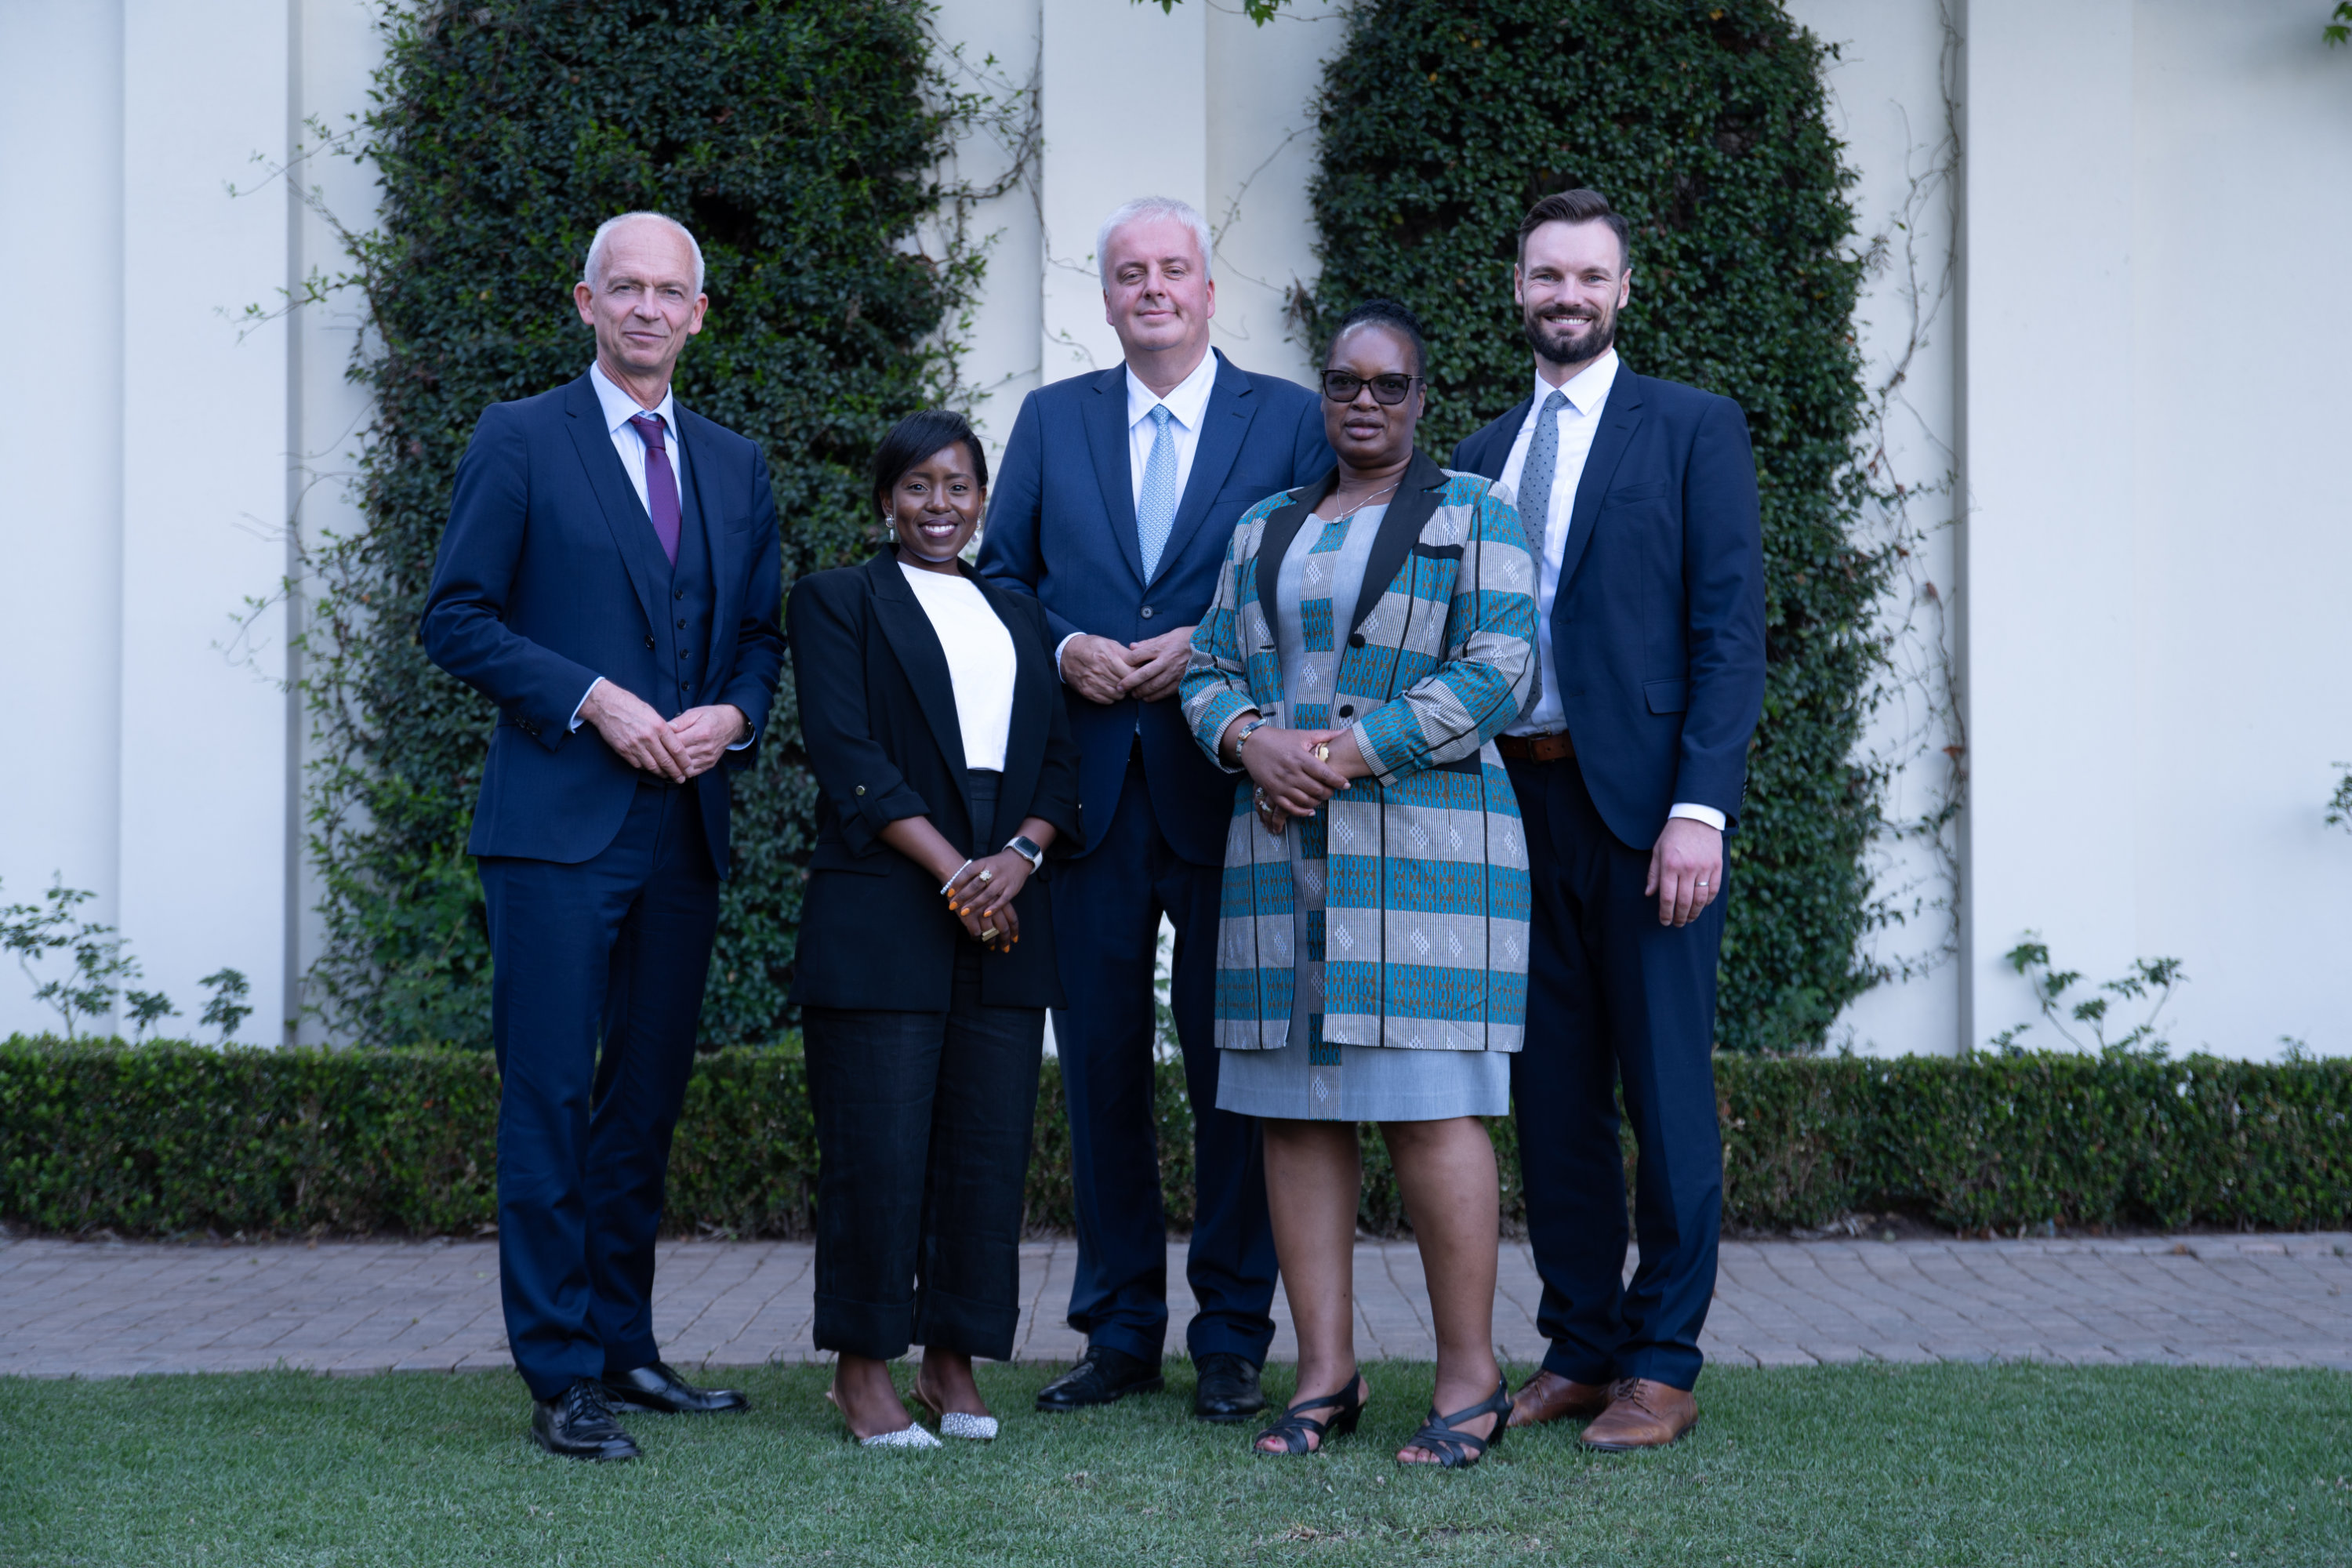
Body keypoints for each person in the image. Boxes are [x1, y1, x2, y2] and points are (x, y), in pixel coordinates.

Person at [420, 211, 784, 1461]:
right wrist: (593, 699)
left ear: (698, 315)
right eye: (623, 288)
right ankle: (560, 1370)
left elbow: (759, 637)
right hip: (553, 831)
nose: (645, 309)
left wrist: (734, 714)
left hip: (684, 827)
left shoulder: (735, 463)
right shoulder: (520, 438)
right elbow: (456, 617)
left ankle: (624, 1346)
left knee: (643, 1104)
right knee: (551, 1096)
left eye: (668, 292)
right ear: (586, 303)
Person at [975, 197, 1332, 1422]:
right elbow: (1001, 577)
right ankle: (1119, 1328)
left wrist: (1211, 641)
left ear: (1210, 290)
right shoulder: (1053, 419)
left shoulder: (1286, 419)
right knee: (1101, 1070)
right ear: (1108, 296)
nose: (1153, 289)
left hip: (1232, 792)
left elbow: (1318, 577)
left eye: (1174, 269)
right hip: (1087, 796)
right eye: (1131, 273)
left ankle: (1231, 1333)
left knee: (1238, 1068)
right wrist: (1062, 644)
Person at [1181, 299, 1538, 1468]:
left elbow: (1501, 668)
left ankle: (1471, 1382)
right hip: (1277, 852)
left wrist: (1341, 750)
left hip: (1426, 859)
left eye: (1390, 385)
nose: (1365, 402)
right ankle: (1325, 1377)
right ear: (1323, 395)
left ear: (1422, 398)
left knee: (1433, 1108)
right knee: (1294, 1116)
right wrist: (1249, 740)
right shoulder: (1265, 525)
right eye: (1345, 383)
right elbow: (1208, 665)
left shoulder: (1475, 511)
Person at [1450, 189, 1766, 1450]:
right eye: (1547, 276)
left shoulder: (1692, 428)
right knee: (1552, 1095)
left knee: (1667, 1094)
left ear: (1624, 290)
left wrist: (1700, 810)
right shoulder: (1480, 453)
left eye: (1590, 276)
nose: (1567, 296)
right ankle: (1580, 1346)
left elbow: (1728, 634)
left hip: (1645, 817)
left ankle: (1664, 1362)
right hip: (1509, 804)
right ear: (1518, 289)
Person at [784, 409, 1083, 1449]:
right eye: (918, 486)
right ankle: (861, 1372)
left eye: (958, 486)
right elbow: (845, 751)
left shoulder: (1020, 613)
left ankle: (951, 1362)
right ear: (885, 500)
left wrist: (1021, 857)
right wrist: (957, 870)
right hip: (886, 900)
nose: (939, 505)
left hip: (1006, 903)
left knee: (986, 1147)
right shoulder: (837, 601)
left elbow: (1060, 762)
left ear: (982, 500)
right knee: (876, 1146)